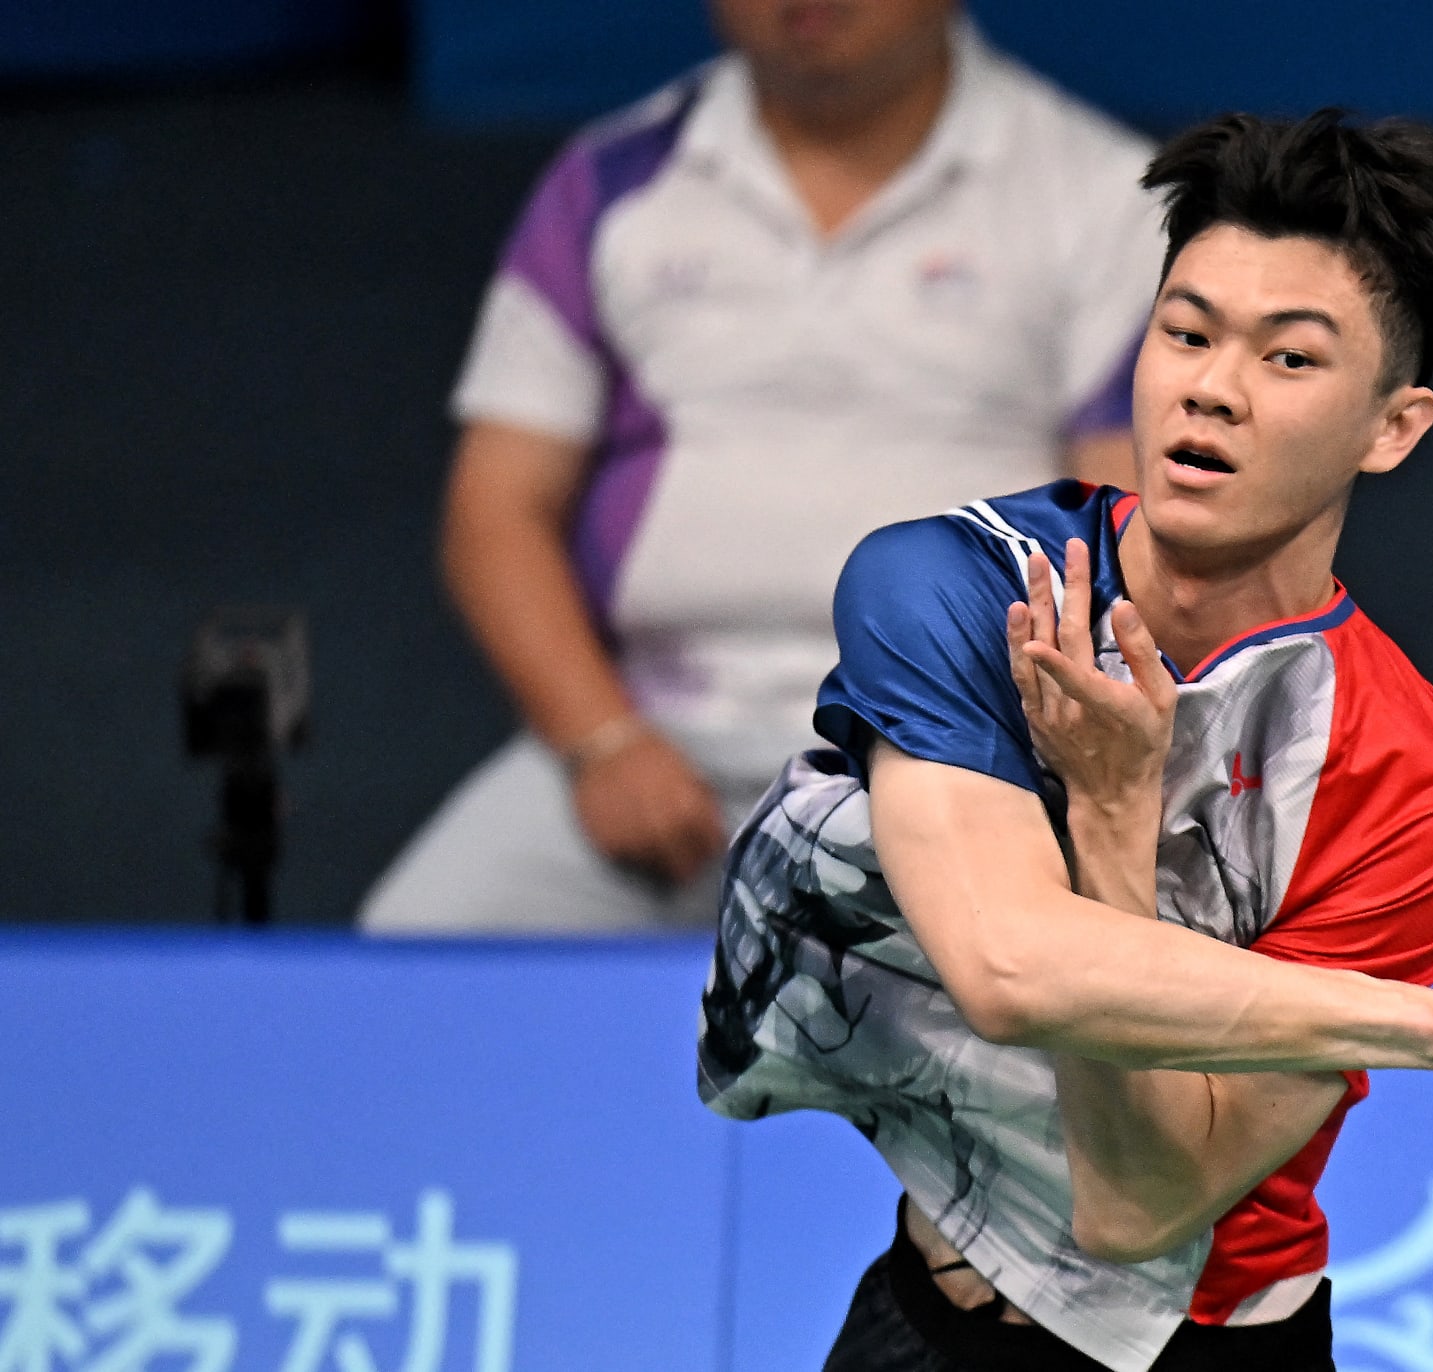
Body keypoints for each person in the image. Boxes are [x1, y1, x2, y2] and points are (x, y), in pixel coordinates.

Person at [697, 110, 1433, 1371]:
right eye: (1186, 332)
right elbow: (1004, 965)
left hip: (1204, 1345)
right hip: (923, 1317)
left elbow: (1137, 1205)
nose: (1211, 386)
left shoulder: (1416, 796)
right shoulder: (960, 588)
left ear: (1392, 427)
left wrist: (1116, 828)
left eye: (1290, 357)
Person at [359, 0, 1161, 935]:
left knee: (1034, 988)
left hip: (959, 737)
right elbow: (496, 513)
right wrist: (602, 743)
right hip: (657, 735)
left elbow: (1125, 534)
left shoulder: (1102, 197)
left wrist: (989, 757)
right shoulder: (608, 181)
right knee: (408, 953)